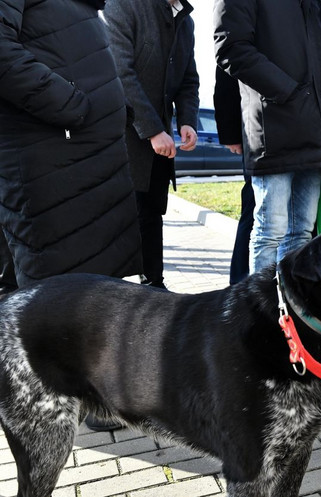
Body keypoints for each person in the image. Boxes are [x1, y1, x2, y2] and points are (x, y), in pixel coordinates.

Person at [0, 0, 143, 431]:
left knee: (92, 272)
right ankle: (63, 396)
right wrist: (71, 103)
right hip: (51, 151)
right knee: (57, 276)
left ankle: (86, 392)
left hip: (82, 153)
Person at [213, 0, 321, 274]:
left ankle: (289, 308)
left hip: (314, 132)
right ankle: (263, 310)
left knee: (302, 233)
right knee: (270, 230)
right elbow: (230, 49)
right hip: (273, 130)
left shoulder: (315, 6)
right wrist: (288, 92)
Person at [104, 0, 200, 289]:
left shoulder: (186, 21)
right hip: (121, 139)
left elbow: (188, 80)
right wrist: (153, 130)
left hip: (161, 143)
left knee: (152, 216)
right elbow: (121, 73)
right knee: (119, 221)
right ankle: (106, 296)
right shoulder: (123, 6)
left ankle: (154, 288)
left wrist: (187, 120)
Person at [212, 67, 253, 285]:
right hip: (254, 131)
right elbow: (227, 70)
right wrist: (230, 133)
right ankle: (239, 283)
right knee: (254, 207)